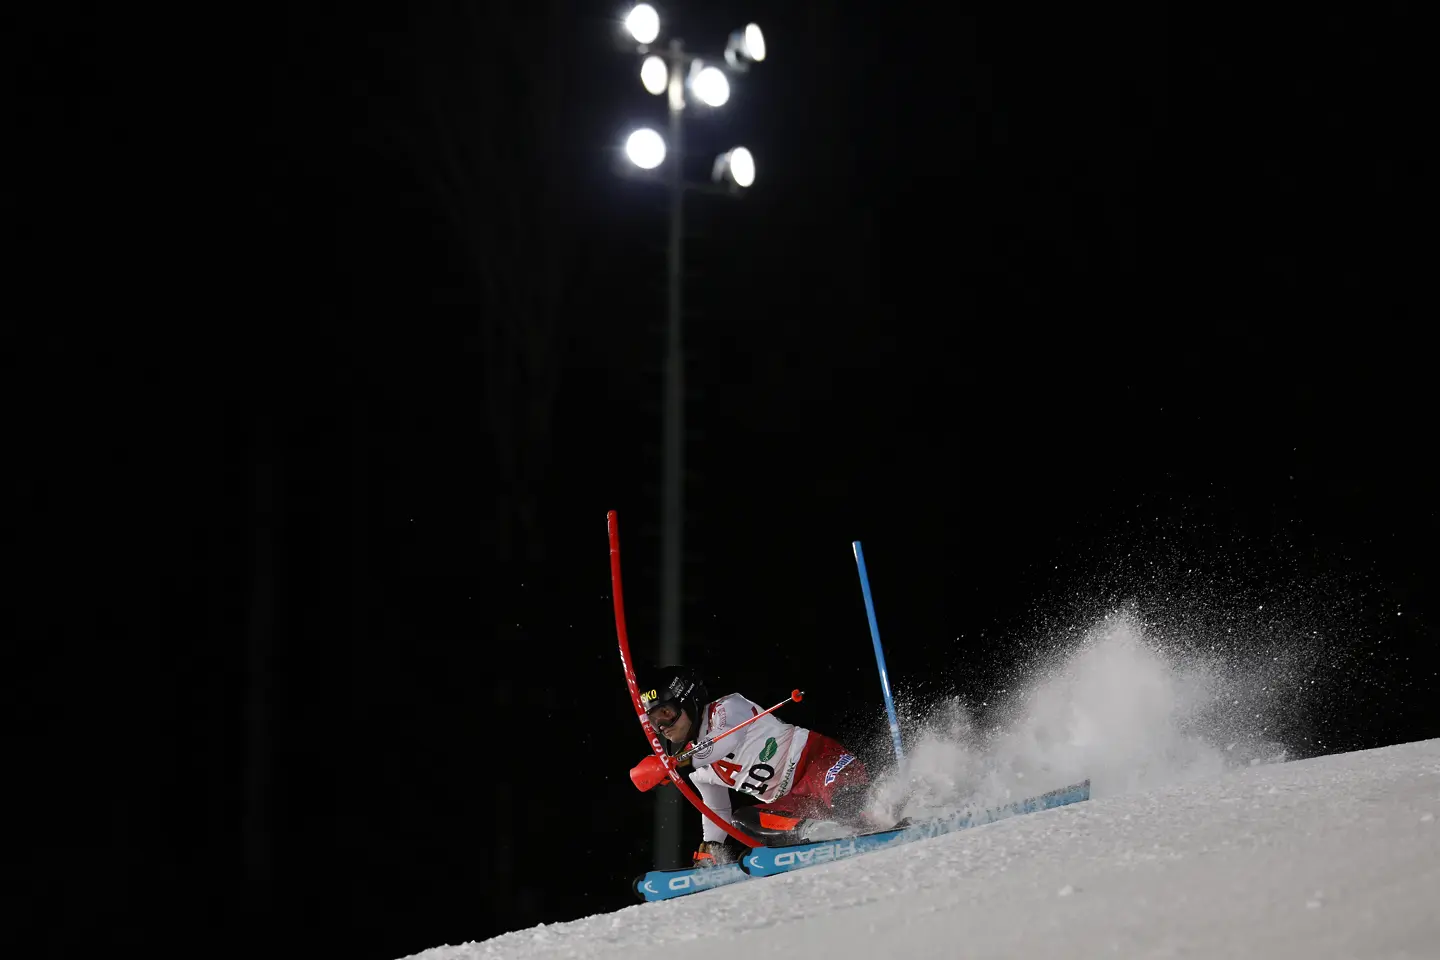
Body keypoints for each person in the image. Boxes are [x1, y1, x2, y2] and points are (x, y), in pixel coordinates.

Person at [638, 665, 879, 867]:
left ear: (688, 701)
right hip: (796, 801)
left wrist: (674, 765)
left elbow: (725, 740)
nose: (662, 727)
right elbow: (717, 811)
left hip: (818, 762)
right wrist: (710, 851)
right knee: (743, 819)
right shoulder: (699, 770)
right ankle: (821, 832)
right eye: (654, 721)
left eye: (666, 714)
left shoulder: (727, 708)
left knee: (846, 802)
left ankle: (891, 807)